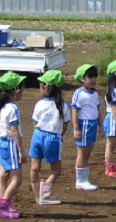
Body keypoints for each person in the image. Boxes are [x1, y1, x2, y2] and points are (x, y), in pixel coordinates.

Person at [29, 70, 70, 205]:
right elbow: (65, 126)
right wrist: (59, 137)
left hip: (37, 135)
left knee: (35, 168)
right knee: (56, 170)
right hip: (53, 138)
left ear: (46, 88)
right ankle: (44, 195)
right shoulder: (63, 106)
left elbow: (35, 122)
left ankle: (37, 195)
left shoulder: (39, 104)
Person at [0, 71, 27, 219]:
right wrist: (21, 150)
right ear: (16, 90)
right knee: (17, 178)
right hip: (11, 144)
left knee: (3, 175)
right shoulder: (12, 108)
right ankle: (4, 206)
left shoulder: (1, 106)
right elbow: (14, 131)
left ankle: (3, 204)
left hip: (2, 143)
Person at [72, 64, 104, 191]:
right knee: (82, 154)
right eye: (90, 77)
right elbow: (74, 111)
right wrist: (76, 128)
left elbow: (97, 109)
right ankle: (80, 180)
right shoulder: (79, 93)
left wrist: (100, 125)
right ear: (82, 79)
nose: (93, 80)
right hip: (84, 125)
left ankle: (84, 179)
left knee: (87, 153)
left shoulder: (94, 93)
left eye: (95, 77)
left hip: (92, 125)